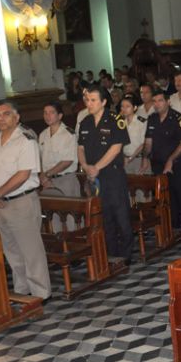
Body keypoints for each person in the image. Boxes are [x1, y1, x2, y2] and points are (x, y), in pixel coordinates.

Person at [0, 99, 52, 299]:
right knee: (11, 250)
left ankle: (41, 294)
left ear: (17, 117)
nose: (1, 118)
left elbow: (23, 175)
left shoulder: (26, 140)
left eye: (6, 114)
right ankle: (22, 291)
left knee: (31, 251)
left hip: (22, 202)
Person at [78, 86, 134, 266]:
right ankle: (111, 253)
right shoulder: (85, 122)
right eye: (87, 100)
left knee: (121, 215)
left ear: (103, 102)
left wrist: (97, 167)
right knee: (104, 216)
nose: (89, 103)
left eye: (93, 100)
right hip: (94, 177)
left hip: (112, 175)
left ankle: (126, 254)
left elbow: (116, 148)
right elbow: (80, 148)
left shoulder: (115, 120)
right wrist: (85, 166)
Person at [141, 88, 181, 244]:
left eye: (160, 101)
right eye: (154, 101)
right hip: (158, 164)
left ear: (168, 102)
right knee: (166, 199)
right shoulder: (152, 119)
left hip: (178, 164)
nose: (157, 104)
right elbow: (148, 142)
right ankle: (171, 229)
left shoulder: (178, 119)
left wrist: (171, 159)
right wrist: (144, 158)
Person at [39, 101, 79, 198]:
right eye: (45, 113)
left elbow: (67, 161)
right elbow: (41, 158)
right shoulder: (43, 134)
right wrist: (43, 176)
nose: (48, 116)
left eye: (51, 112)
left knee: (69, 207)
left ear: (60, 116)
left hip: (65, 180)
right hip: (47, 182)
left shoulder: (68, 134)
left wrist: (47, 175)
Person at [120, 95, 147, 174]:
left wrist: (131, 158)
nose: (124, 109)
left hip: (138, 159)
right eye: (122, 106)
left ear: (134, 108)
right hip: (124, 159)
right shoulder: (120, 123)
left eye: (127, 106)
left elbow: (144, 143)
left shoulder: (141, 122)